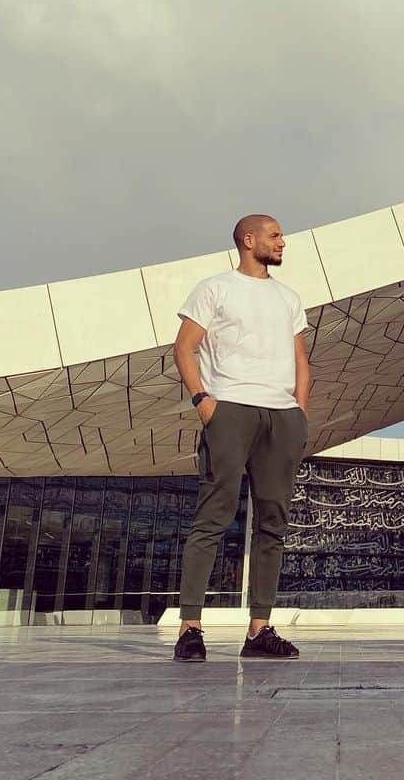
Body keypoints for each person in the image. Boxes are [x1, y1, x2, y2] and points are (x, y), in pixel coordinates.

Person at [172, 214, 311, 662]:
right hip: (229, 408)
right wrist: (203, 402)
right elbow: (183, 346)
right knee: (212, 517)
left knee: (273, 522)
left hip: (282, 416)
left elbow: (301, 360)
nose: (283, 242)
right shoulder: (215, 289)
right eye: (275, 236)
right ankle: (191, 628)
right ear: (249, 241)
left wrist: (299, 414)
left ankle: (259, 631)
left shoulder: (288, 297)